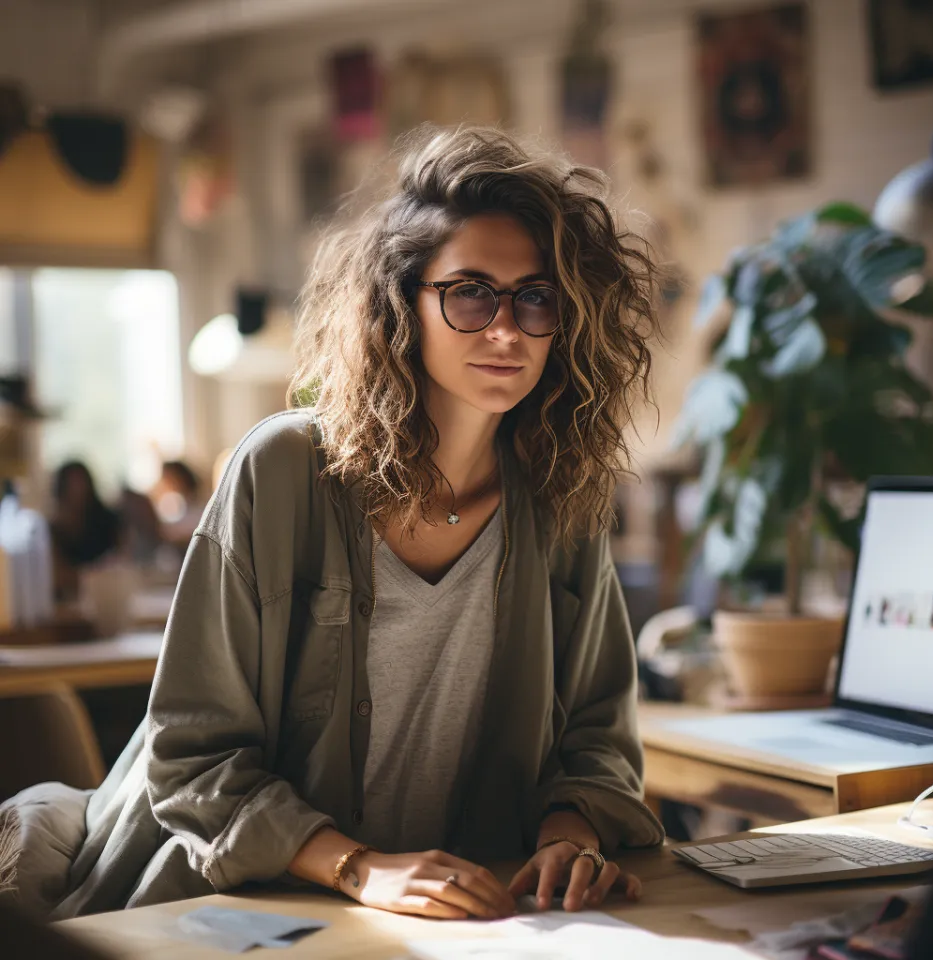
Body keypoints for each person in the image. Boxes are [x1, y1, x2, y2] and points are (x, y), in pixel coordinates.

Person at [0, 125, 663, 922]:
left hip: (469, 914)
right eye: (470, 292)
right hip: (227, 905)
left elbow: (598, 735)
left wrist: (570, 833)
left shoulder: (562, 494)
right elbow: (193, 757)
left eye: (535, 297)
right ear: (402, 302)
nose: (505, 329)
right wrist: (359, 867)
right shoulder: (283, 471)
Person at [48, 461, 123, 600]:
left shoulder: (107, 521)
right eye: (72, 484)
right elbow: (57, 575)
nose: (77, 490)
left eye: (80, 483)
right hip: (69, 600)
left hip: (108, 596)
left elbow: (122, 562)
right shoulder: (53, 529)